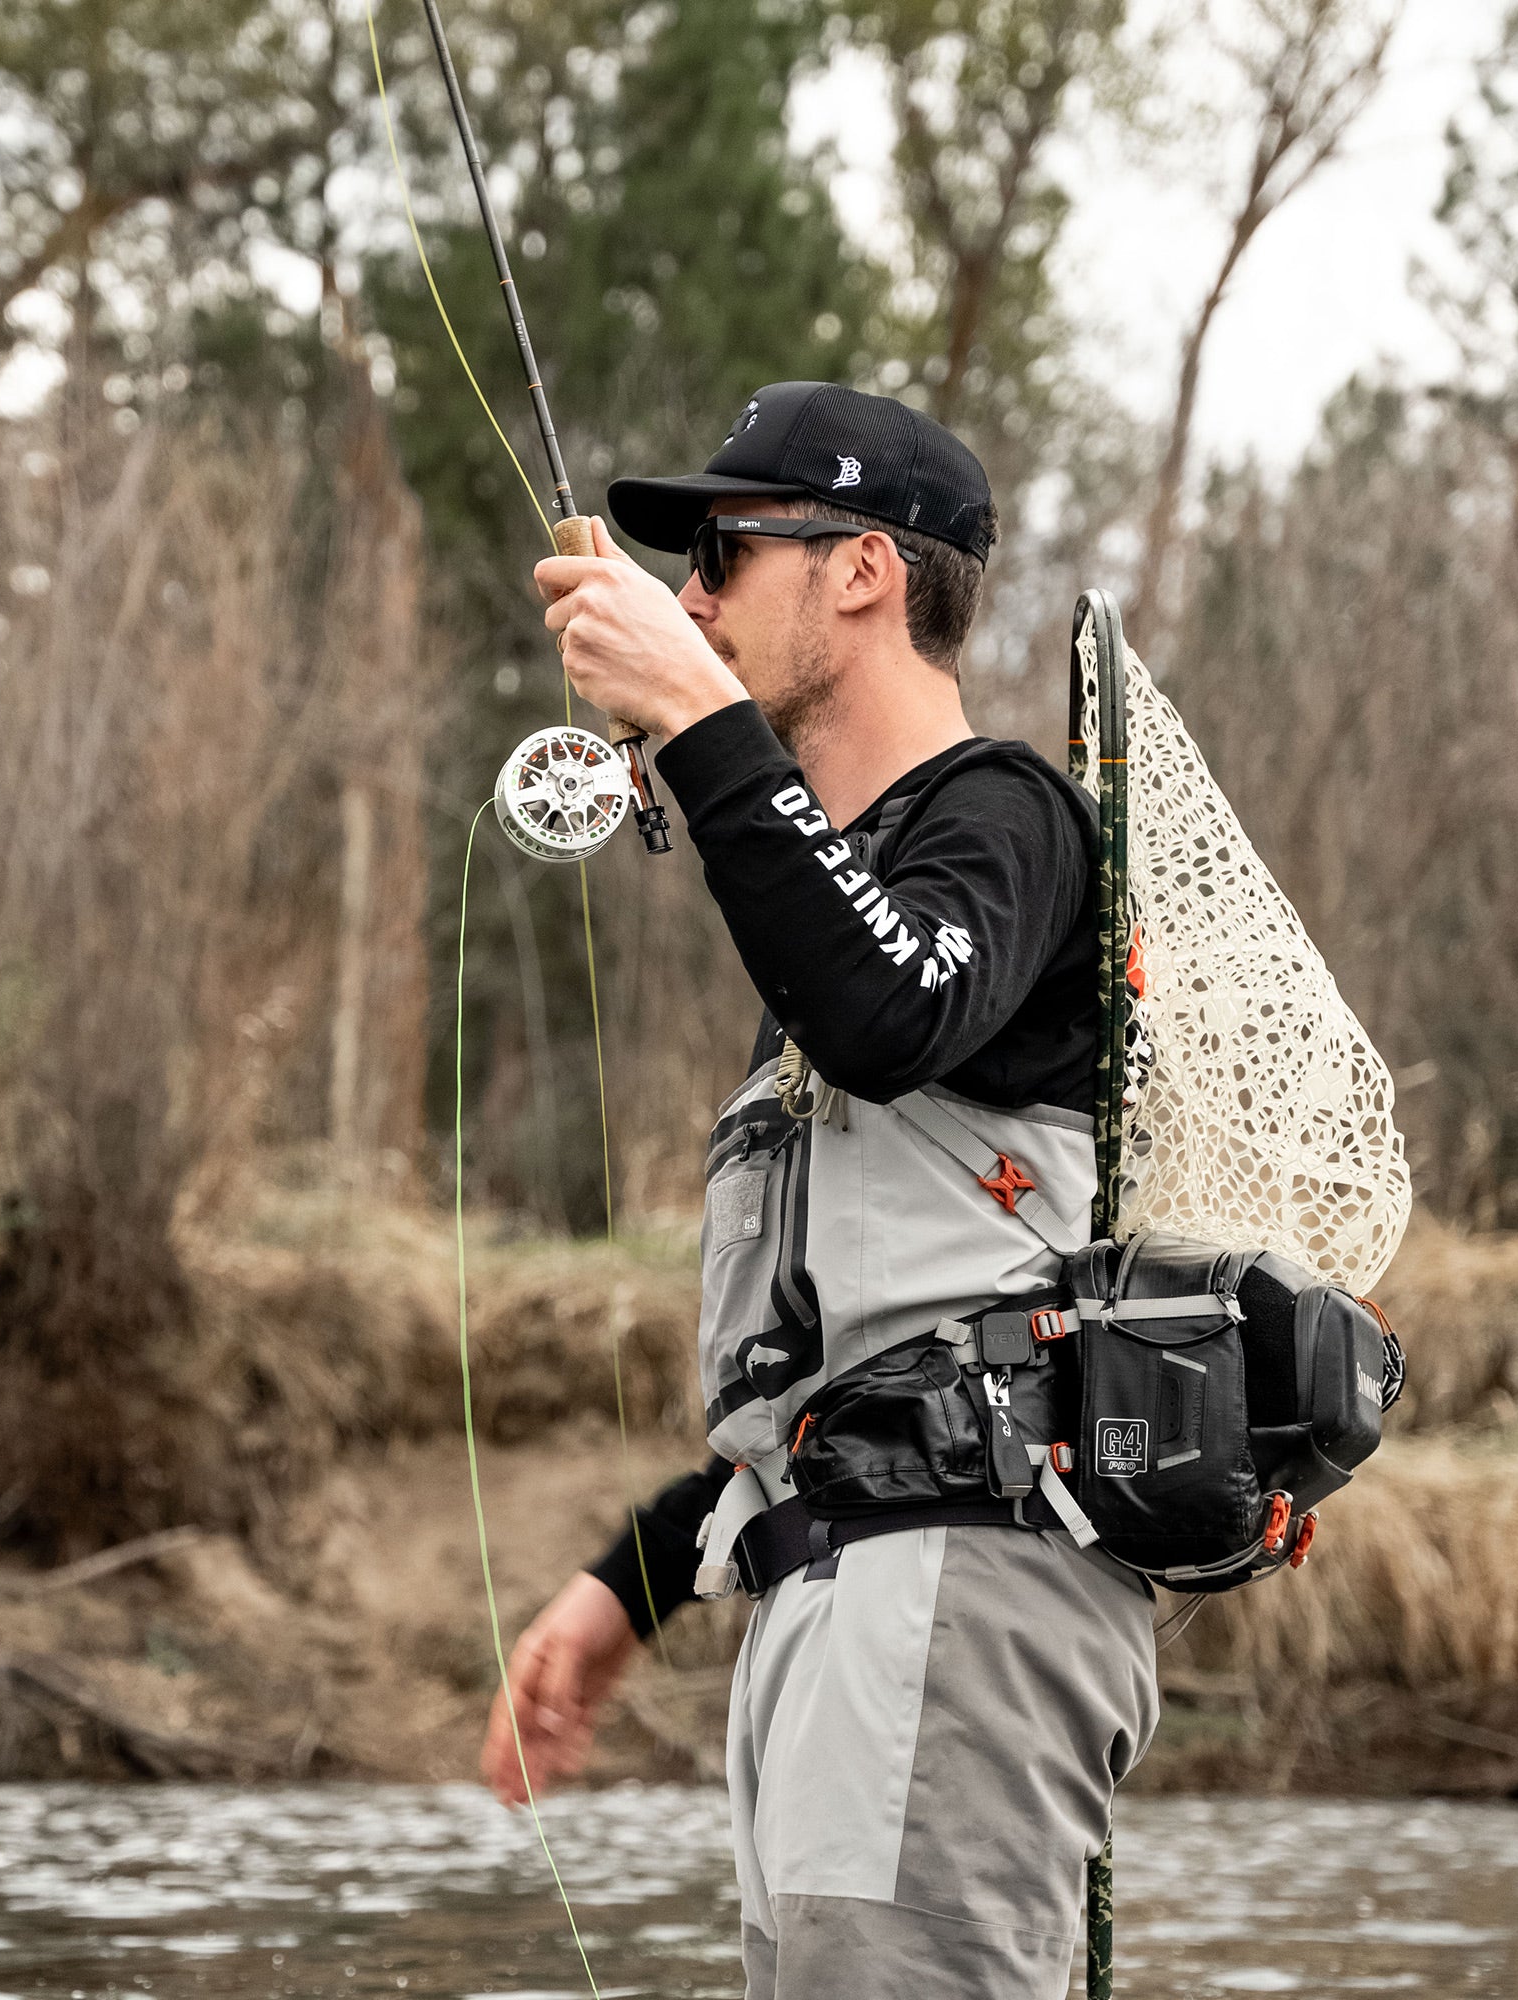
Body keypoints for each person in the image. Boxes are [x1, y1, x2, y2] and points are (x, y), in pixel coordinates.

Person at [484, 380, 1157, 2000]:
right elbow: (857, 1356)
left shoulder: (1010, 821)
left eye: (722, 552)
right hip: (833, 1590)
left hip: (959, 1587)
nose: (692, 596)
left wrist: (699, 716)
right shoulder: (827, 918)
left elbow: (889, 1011)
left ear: (862, 569)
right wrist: (627, 1589)